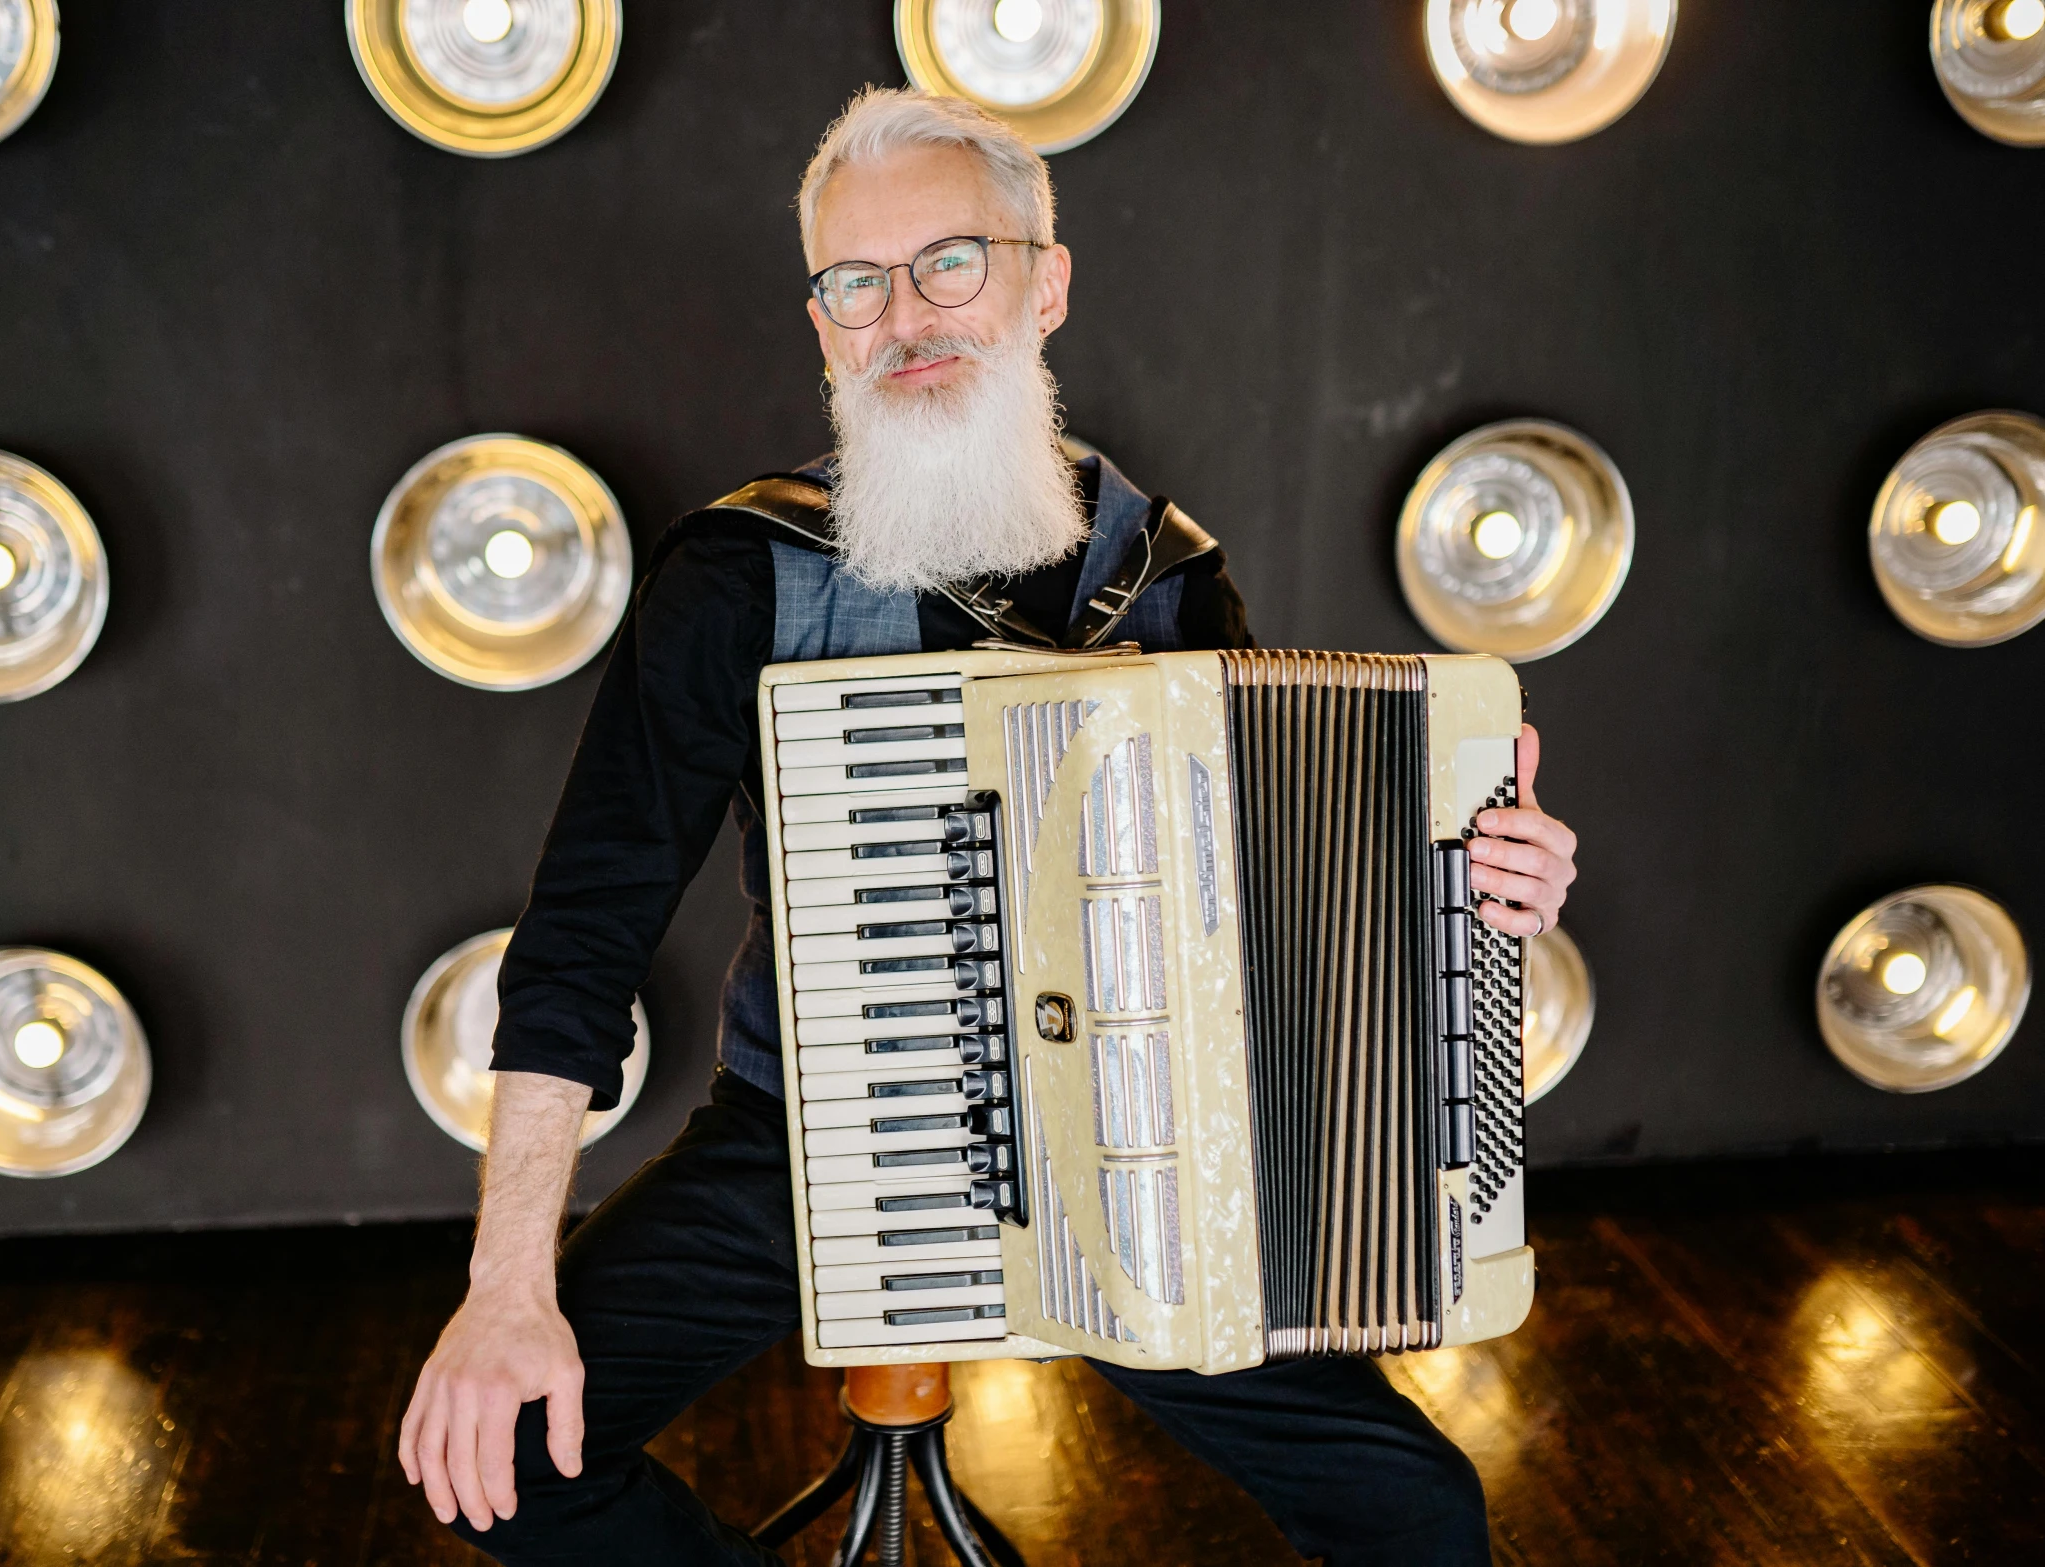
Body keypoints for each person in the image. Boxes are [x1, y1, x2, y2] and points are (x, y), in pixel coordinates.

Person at [398, 87, 1579, 1566]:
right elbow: (581, 939)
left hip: (1140, 1159)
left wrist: (1469, 887)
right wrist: (506, 1284)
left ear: (1045, 282)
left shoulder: (1162, 572)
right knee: (502, 1456)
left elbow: (1270, 910)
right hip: (819, 1142)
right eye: (857, 283)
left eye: (950, 261)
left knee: (1419, 1512)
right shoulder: (739, 575)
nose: (906, 314)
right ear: (823, 325)